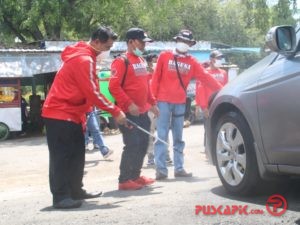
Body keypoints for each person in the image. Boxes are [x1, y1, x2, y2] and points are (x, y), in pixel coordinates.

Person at [42, 26, 127, 209]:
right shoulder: (84, 59)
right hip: (60, 112)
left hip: (72, 113)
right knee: (62, 156)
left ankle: (75, 190)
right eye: (107, 47)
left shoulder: (86, 56)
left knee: (77, 154)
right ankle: (61, 197)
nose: (107, 51)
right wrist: (115, 111)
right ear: (96, 41)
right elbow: (92, 92)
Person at [151, 29, 222, 180]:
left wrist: (222, 90)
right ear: (177, 41)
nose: (184, 44)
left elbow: (205, 77)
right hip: (162, 101)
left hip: (180, 102)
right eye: (182, 41)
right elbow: (155, 78)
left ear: (190, 44)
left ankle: (179, 168)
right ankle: (161, 170)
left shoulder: (192, 62)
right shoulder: (164, 56)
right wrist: (152, 101)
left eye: (187, 42)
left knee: (178, 136)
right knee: (161, 135)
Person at [109, 27, 159, 190]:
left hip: (143, 111)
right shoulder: (121, 61)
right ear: (131, 42)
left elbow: (146, 85)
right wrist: (129, 103)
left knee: (143, 143)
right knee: (132, 144)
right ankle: (124, 180)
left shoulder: (142, 61)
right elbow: (113, 87)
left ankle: (135, 176)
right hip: (128, 113)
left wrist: (152, 104)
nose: (144, 45)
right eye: (141, 42)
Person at [195, 50, 228, 146]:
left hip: (221, 103)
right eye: (217, 58)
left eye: (220, 58)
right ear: (211, 59)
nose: (219, 60)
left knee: (221, 126)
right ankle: (208, 149)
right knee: (209, 127)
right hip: (209, 105)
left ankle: (221, 147)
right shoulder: (205, 73)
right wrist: (203, 107)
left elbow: (226, 88)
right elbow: (200, 90)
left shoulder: (224, 73)